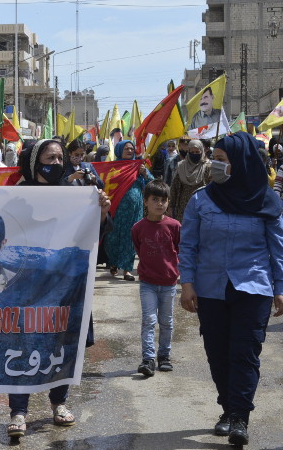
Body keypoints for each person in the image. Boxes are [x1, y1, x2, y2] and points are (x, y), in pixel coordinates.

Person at [178, 131, 283, 447]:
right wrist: (186, 284)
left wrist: (280, 287)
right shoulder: (201, 199)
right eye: (215, 159)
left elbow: (278, 249)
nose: (215, 165)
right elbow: (188, 245)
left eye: (222, 160)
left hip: (254, 287)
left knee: (245, 354)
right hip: (210, 289)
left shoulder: (267, 201)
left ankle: (239, 417)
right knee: (218, 354)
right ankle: (227, 407)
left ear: (241, 162)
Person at [6, 138, 112, 438]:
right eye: (49, 158)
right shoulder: (16, 195)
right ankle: (18, 411)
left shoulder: (76, 193)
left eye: (59, 158)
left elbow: (95, 233)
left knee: (63, 344)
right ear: (34, 162)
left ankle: (59, 403)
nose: (56, 163)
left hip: (65, 285)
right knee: (22, 345)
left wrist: (102, 211)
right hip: (26, 286)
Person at [130, 180, 180, 377]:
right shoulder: (138, 228)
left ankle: (164, 356)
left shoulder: (174, 226)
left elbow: (180, 249)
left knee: (166, 321)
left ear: (168, 202)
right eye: (155, 199)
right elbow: (138, 248)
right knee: (149, 320)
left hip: (169, 283)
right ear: (145, 201)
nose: (159, 204)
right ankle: (148, 359)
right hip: (148, 283)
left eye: (163, 200)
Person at [104, 140, 153, 281]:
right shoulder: (113, 167)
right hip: (116, 207)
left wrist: (145, 174)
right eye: (126, 148)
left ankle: (127, 270)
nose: (130, 151)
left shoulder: (138, 166)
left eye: (132, 149)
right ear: (119, 150)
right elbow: (105, 182)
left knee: (131, 238)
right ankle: (113, 263)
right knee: (112, 237)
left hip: (134, 209)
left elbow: (152, 183)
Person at [168, 139, 210, 222]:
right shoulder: (181, 166)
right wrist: (171, 206)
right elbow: (174, 187)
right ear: (188, 152)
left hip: (201, 207)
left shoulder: (207, 167)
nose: (194, 154)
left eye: (197, 152)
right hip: (183, 207)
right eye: (192, 152)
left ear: (202, 151)